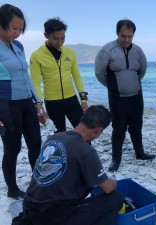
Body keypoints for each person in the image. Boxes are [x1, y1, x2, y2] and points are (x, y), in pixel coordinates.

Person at [20, 105, 123, 225]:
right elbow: (107, 188)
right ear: (98, 130)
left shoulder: (54, 138)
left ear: (82, 120)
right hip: (52, 216)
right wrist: (113, 182)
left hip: (28, 205)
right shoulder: (87, 151)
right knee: (115, 199)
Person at [95, 19, 155, 172]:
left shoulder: (138, 51)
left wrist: (131, 84)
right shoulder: (107, 51)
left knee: (136, 125)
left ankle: (139, 153)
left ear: (133, 35)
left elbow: (141, 72)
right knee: (118, 128)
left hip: (136, 96)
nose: (127, 39)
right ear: (117, 34)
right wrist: (114, 88)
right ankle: (116, 158)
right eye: (123, 36)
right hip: (117, 98)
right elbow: (99, 73)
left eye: (130, 36)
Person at [0, 4, 47, 199]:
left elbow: (26, 75)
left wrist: (38, 102)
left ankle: (39, 183)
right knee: (13, 147)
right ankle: (12, 189)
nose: (18, 33)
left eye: (21, 29)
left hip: (26, 102)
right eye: (14, 28)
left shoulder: (18, 46)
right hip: (6, 105)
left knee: (36, 142)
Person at [30, 17, 88, 133]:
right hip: (52, 102)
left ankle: (84, 151)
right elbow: (35, 82)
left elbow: (76, 76)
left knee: (83, 131)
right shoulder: (36, 55)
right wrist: (39, 105)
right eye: (56, 39)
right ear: (46, 35)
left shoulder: (69, 52)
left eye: (63, 38)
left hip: (71, 99)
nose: (60, 42)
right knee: (59, 134)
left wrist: (83, 99)